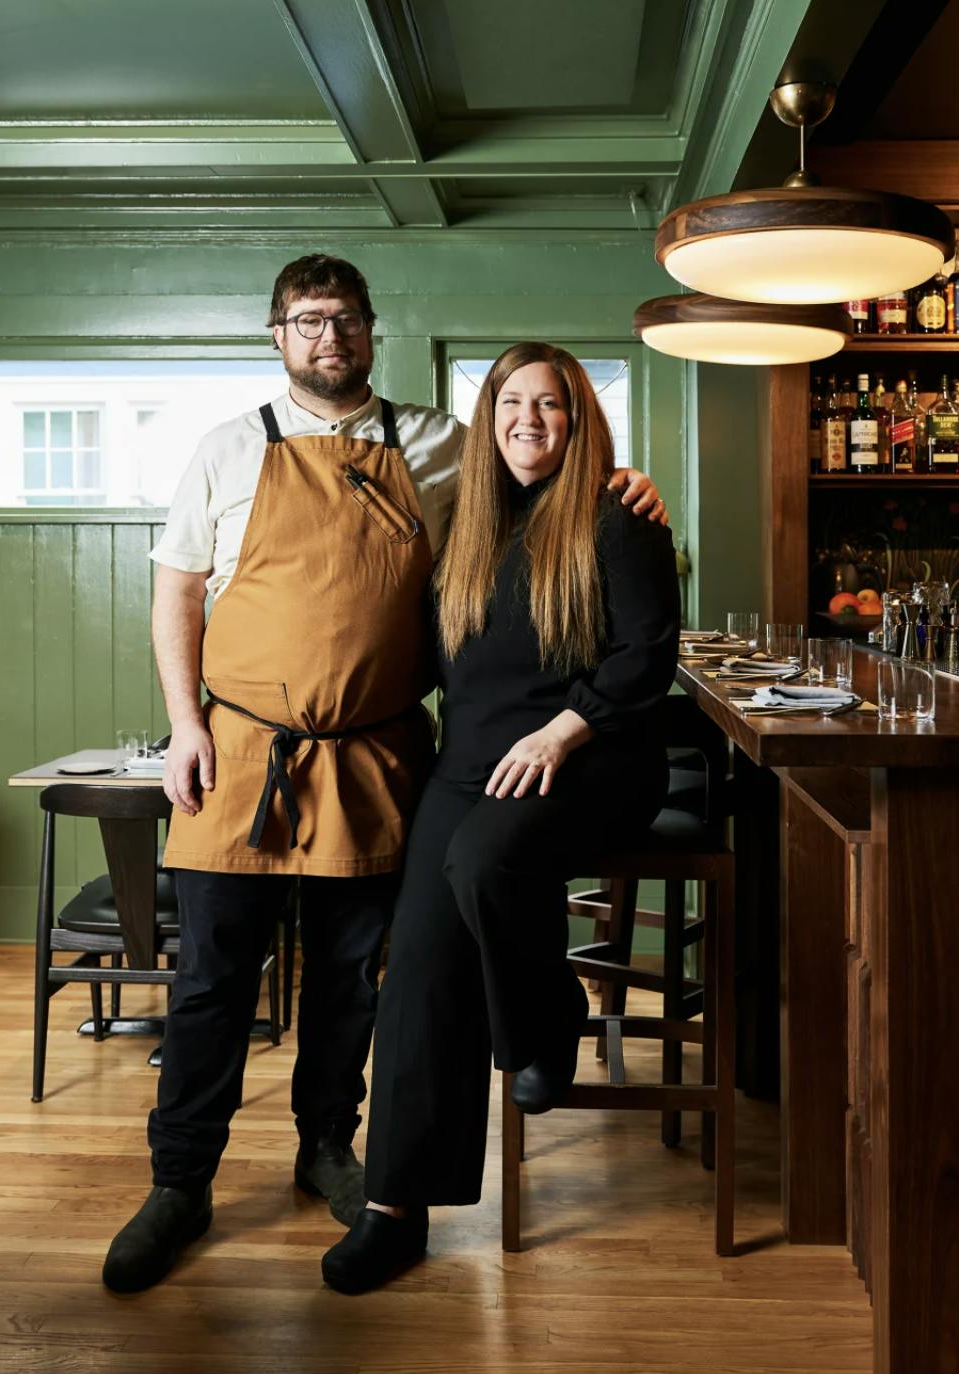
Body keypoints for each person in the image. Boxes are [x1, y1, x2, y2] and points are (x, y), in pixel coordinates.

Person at [101, 258, 667, 1294]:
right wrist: (185, 723)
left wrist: (621, 480)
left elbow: (544, 505)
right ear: (277, 335)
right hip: (241, 751)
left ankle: (331, 1150)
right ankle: (178, 1183)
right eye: (307, 322)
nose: (329, 338)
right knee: (209, 982)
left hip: (377, 754)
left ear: (371, 333)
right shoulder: (227, 448)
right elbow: (178, 594)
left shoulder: (443, 448)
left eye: (346, 320)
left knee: (358, 983)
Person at [320, 342, 680, 1295]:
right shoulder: (464, 524)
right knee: (420, 967)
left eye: (552, 403)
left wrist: (564, 734)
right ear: (488, 420)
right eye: (511, 402)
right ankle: (394, 1209)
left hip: (594, 756)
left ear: (579, 419)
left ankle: (547, 1017)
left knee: (484, 864)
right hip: (470, 762)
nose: (530, 419)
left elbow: (647, 656)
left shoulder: (618, 514)